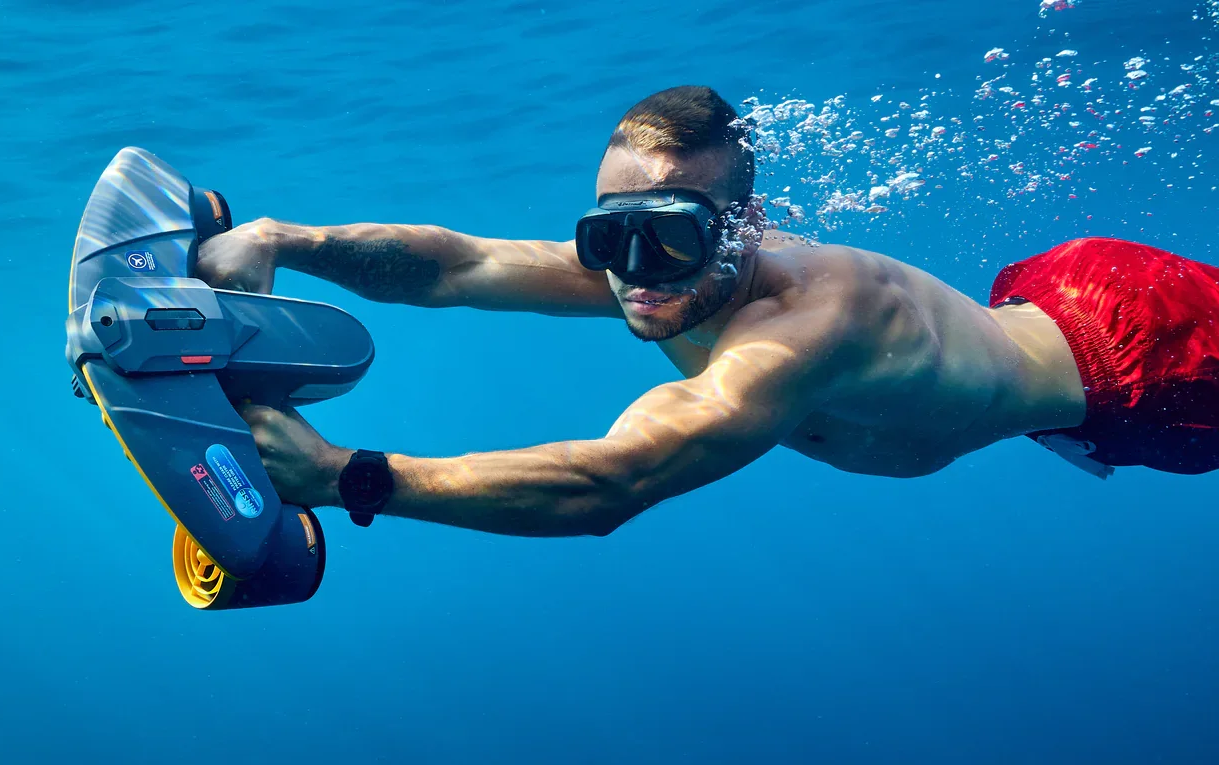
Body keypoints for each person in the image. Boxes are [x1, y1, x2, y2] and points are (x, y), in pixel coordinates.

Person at [195, 86, 1219, 536]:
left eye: (670, 240)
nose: (635, 274)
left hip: (1158, 378)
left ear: (742, 226)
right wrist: (284, 240)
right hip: (1053, 291)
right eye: (610, 238)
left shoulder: (802, 335)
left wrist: (344, 477)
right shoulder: (656, 257)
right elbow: (459, 265)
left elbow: (607, 483)